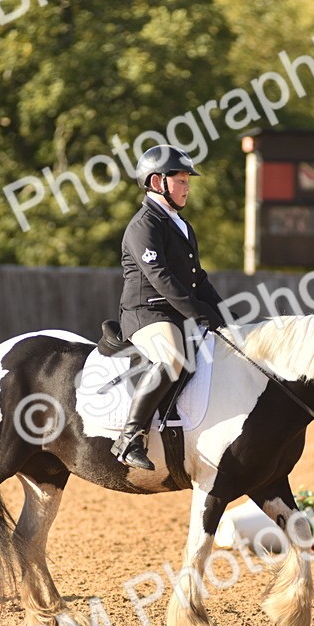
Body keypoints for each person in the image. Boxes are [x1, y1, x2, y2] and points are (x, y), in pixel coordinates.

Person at [111, 144, 226, 470]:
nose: (187, 187)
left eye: (188, 181)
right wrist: (197, 311)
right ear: (157, 182)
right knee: (172, 357)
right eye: (181, 181)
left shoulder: (181, 225)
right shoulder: (143, 225)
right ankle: (130, 438)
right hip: (146, 314)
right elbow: (160, 277)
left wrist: (223, 314)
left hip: (175, 314)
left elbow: (197, 278)